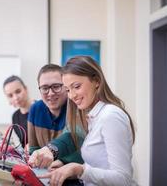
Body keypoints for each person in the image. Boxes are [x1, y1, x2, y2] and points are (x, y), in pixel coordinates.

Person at [35, 56, 137, 186]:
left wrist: (79, 169)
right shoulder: (94, 117)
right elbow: (100, 165)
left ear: (96, 81)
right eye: (68, 90)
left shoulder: (111, 116)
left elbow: (123, 179)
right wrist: (68, 170)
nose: (71, 96)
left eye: (76, 86)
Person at [28, 64, 68, 154]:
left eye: (56, 86)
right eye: (45, 88)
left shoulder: (75, 109)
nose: (50, 93)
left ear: (66, 86)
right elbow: (33, 149)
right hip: (43, 167)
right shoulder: (35, 109)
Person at [3, 75, 34, 148]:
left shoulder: (41, 109)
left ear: (26, 89)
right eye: (10, 95)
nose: (16, 98)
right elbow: (23, 144)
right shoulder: (15, 117)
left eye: (18, 91)